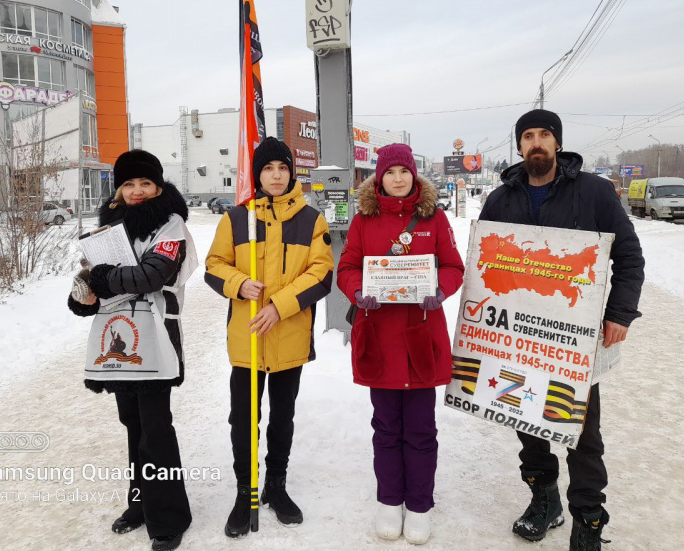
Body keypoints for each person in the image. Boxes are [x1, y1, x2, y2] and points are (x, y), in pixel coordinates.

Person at [479, 109, 645, 550]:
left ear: (557, 143)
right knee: (525, 421)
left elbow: (629, 257)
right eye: (528, 136)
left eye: (545, 135)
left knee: (580, 433)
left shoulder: (594, 193)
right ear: (518, 146)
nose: (537, 143)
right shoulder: (499, 200)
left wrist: (620, 313)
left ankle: (588, 522)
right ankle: (544, 498)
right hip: (516, 340)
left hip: (571, 342)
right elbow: (486, 264)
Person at [204, 137, 335, 538]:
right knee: (244, 419)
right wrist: (238, 283)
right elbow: (214, 266)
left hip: (289, 336)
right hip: (247, 340)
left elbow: (322, 273)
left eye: (282, 168)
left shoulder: (312, 220)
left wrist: (279, 304)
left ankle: (276, 485)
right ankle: (247, 490)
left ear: (291, 172)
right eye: (267, 169)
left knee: (282, 417)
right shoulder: (236, 218)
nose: (276, 176)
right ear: (258, 174)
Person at [67, 149, 197, 551]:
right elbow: (93, 277)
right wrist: (82, 294)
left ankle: (170, 515)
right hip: (118, 338)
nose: (137, 191)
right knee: (133, 426)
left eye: (144, 183)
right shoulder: (109, 230)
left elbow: (153, 274)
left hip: (156, 337)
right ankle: (140, 503)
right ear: (119, 190)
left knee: (156, 429)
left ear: (158, 186)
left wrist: (102, 279)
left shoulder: (171, 226)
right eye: (128, 184)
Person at [337, 143, 465, 545]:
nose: (397, 179)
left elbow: (452, 264)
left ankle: (420, 506)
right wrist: (358, 291)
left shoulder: (433, 217)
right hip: (379, 338)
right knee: (387, 428)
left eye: (403, 172)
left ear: (413, 176)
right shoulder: (363, 220)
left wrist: (440, 290)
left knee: (422, 430)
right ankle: (389, 502)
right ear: (378, 178)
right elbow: (347, 267)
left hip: (420, 337)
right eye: (389, 173)